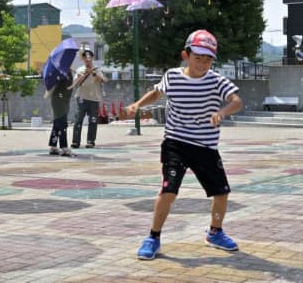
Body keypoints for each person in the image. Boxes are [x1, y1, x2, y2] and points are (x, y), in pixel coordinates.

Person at [126, 29, 242, 260]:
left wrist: (222, 112)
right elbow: (156, 93)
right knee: (168, 190)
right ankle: (153, 237)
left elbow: (237, 101)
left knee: (221, 192)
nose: (202, 64)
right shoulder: (173, 76)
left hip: (205, 146)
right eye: (198, 58)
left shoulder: (217, 81)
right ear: (185, 55)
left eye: (208, 59)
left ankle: (215, 232)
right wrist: (137, 104)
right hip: (175, 143)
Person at [71, 47, 106, 149]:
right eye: (85, 58)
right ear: (83, 59)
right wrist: (82, 75)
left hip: (94, 99)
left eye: (89, 57)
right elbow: (76, 84)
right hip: (81, 97)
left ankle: (90, 141)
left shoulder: (98, 69)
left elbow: (102, 80)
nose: (88, 60)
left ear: (92, 58)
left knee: (93, 121)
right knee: (78, 120)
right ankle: (75, 141)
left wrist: (93, 73)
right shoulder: (79, 70)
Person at [45, 70, 74, 157]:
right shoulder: (63, 72)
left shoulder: (64, 71)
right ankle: (64, 147)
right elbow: (68, 86)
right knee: (62, 124)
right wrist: (78, 79)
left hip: (62, 100)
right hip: (59, 100)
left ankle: (53, 147)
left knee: (57, 124)